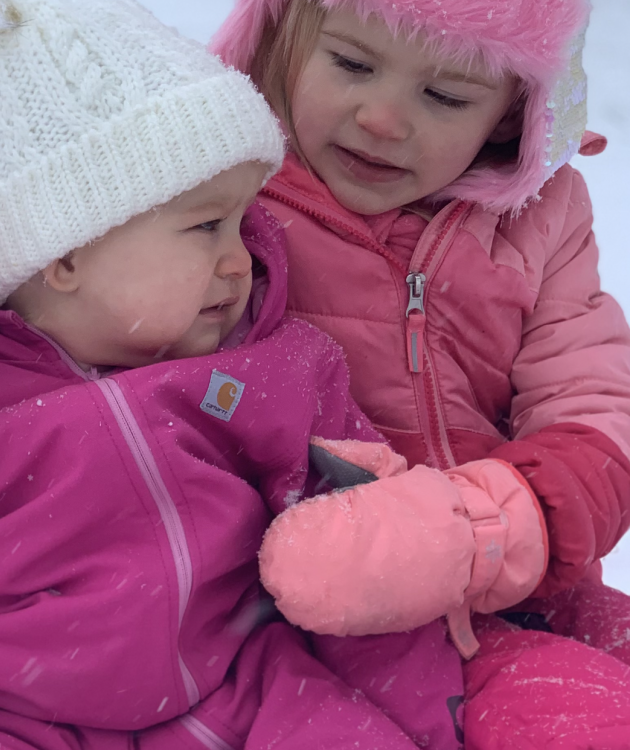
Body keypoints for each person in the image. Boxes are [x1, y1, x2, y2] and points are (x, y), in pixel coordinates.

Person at [0, 1, 544, 748]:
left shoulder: (277, 369)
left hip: (244, 681)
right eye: (205, 226)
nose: (242, 257)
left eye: (238, 219)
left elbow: (368, 552)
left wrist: (420, 723)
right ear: (63, 254)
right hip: (2, 711)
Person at [208, 0, 630, 746]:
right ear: (283, 41)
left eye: (445, 96)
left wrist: (492, 527)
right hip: (284, 604)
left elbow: (594, 404)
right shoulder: (218, 192)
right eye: (351, 64)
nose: (383, 119)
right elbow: (71, 272)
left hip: (508, 581)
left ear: (509, 115)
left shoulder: (540, 216)